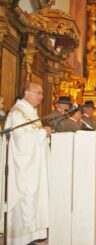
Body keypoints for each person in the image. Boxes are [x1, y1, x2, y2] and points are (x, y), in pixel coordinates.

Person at [0, 83, 51, 244]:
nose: (42, 97)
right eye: (39, 93)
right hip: (23, 169)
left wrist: (43, 134)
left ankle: (34, 233)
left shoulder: (30, 111)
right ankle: (21, 238)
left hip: (34, 167)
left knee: (35, 198)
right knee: (26, 199)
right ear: (27, 93)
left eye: (42, 93)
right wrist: (44, 132)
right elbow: (22, 141)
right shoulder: (18, 112)